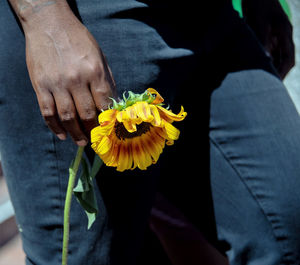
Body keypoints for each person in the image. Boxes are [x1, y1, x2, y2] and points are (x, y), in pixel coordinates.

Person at [0, 1, 298, 265]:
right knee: (86, 254)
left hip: (213, 17)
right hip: (83, 25)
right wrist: (43, 16)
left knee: (285, 223)